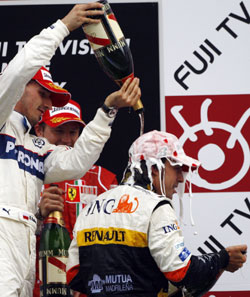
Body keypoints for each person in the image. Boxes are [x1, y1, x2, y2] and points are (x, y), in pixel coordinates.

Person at [0, 2, 141, 297]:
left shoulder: (36, 144)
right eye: (44, 94)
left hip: (23, 251)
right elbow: (18, 71)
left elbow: (77, 162)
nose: (50, 104)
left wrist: (107, 111)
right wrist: (64, 26)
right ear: (23, 87)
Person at [66, 130, 247, 297]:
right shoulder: (155, 206)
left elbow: (74, 275)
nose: (181, 178)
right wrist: (222, 259)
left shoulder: (91, 207)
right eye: (176, 168)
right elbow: (182, 272)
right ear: (154, 168)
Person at [33, 99, 118, 297]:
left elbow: (115, 243)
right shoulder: (24, 176)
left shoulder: (104, 181)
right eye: (59, 131)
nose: (67, 140)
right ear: (39, 131)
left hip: (89, 289)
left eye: (73, 132)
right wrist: (38, 216)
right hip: (37, 289)